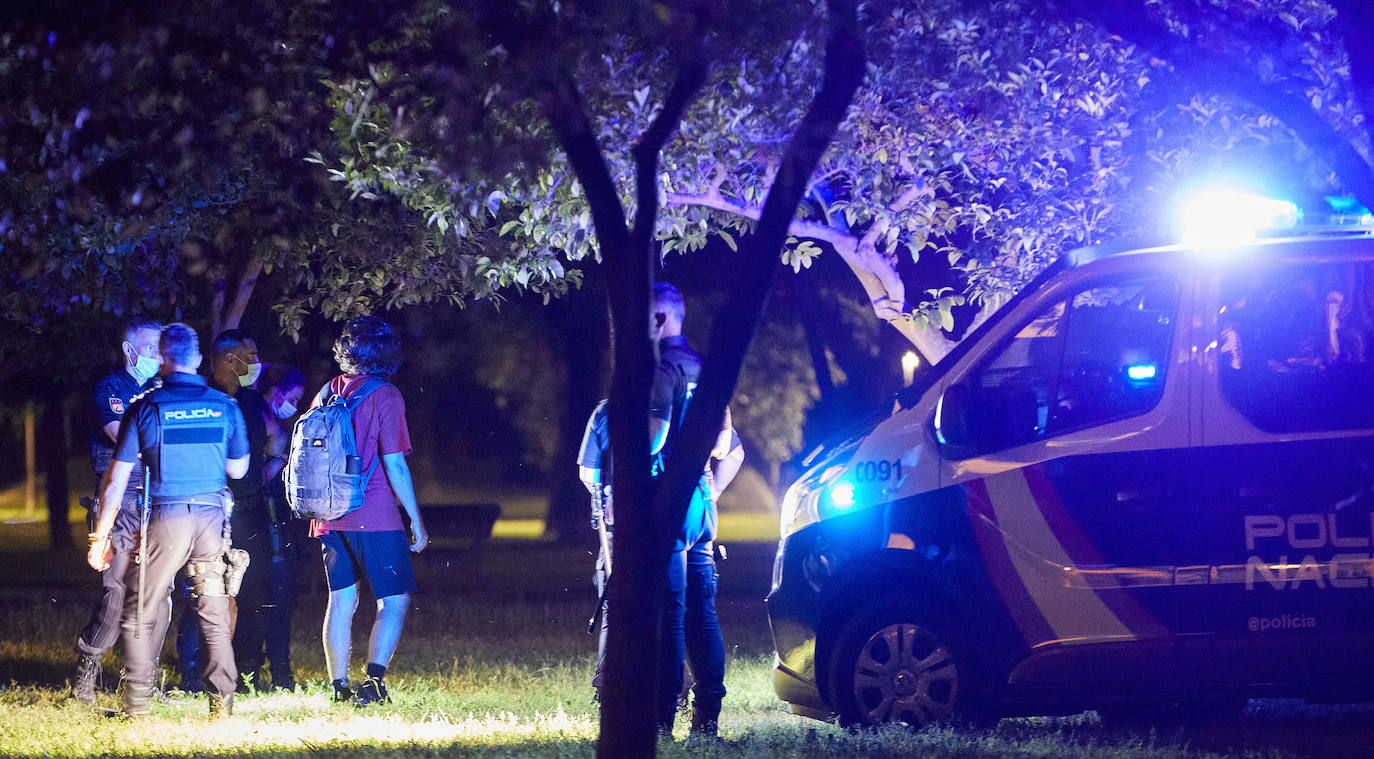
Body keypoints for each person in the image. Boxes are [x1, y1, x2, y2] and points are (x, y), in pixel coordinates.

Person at [86, 322, 249, 718]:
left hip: (166, 518)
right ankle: (222, 707)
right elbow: (239, 469)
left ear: (163, 359)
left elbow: (116, 480)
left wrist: (100, 537)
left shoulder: (147, 408)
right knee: (213, 610)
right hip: (211, 518)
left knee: (142, 609)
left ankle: (137, 707)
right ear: (196, 359)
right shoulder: (225, 405)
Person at [309, 316, 428, 706]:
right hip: (374, 512)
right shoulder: (386, 395)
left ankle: (338, 687)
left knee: (341, 601)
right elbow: (394, 463)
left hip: (327, 514)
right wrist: (415, 519)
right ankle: (373, 683)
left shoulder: (327, 392)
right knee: (393, 600)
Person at [649, 282, 745, 737]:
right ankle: (708, 719)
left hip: (669, 499)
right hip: (703, 499)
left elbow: (651, 441)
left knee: (670, 614)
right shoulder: (707, 369)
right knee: (702, 615)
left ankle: (662, 721)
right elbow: (727, 444)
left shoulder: (662, 370)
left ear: (657, 320)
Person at [70, 318, 162, 704]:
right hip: (119, 500)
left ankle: (141, 681)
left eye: (162, 349)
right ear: (130, 350)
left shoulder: (163, 390)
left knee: (159, 594)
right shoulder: (111, 389)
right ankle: (85, 676)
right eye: (152, 348)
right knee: (116, 591)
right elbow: (120, 436)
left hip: (157, 499)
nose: (158, 356)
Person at [208, 330, 279, 692]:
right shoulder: (208, 400)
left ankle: (248, 668)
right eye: (250, 354)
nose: (257, 361)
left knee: (257, 592)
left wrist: (271, 467)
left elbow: (276, 439)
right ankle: (199, 674)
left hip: (250, 508)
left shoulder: (252, 402)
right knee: (209, 594)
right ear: (229, 360)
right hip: (212, 511)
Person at [257, 363, 308, 691]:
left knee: (280, 602)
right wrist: (279, 462)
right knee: (268, 602)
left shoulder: (277, 424)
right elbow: (252, 480)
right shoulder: (258, 421)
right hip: (261, 524)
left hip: (280, 526)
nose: (294, 405)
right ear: (275, 392)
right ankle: (273, 672)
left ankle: (280, 672)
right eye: (291, 397)